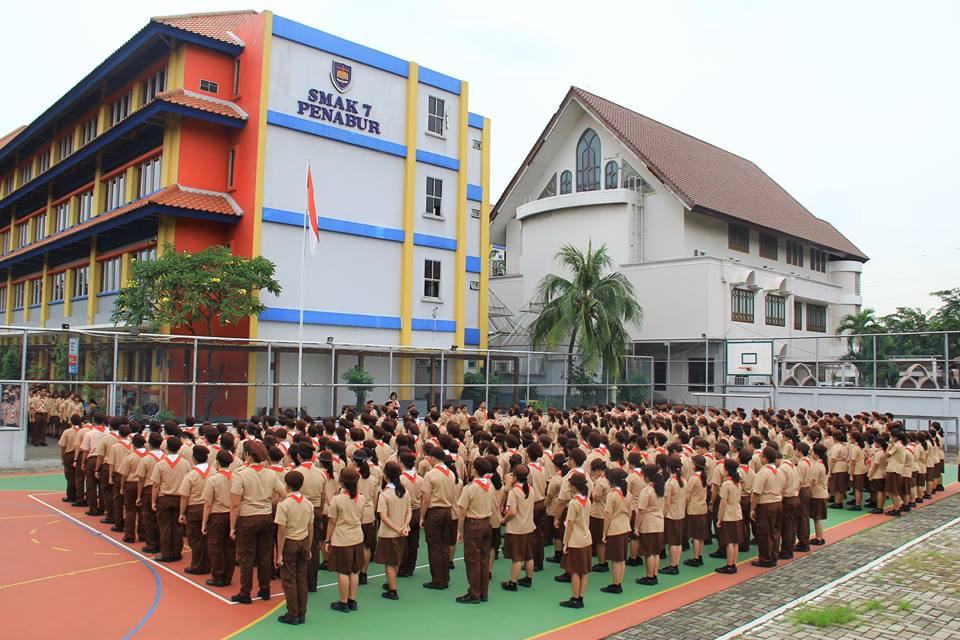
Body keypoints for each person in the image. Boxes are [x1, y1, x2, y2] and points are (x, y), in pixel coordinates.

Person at [230, 440, 285, 604]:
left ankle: (245, 592)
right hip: (267, 516)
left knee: (246, 557)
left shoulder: (241, 474)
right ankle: (265, 588)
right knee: (265, 554)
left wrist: (232, 526)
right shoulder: (270, 474)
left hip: (248, 517)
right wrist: (270, 502)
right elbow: (283, 493)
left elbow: (235, 504)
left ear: (248, 455)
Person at [274, 470, 314, 625]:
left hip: (290, 542)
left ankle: (292, 614)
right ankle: (302, 612)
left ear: (287, 485)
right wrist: (309, 547)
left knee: (289, 580)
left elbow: (281, 531)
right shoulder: (308, 503)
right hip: (303, 541)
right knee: (302, 578)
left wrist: (279, 554)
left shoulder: (284, 505)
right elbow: (311, 528)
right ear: (301, 485)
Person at [456, 456, 496, 604]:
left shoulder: (470, 488)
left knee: (472, 559)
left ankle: (474, 593)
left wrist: (459, 530)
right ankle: (483, 592)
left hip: (473, 524)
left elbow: (462, 511)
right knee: (484, 559)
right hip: (487, 523)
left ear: (475, 470)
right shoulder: (490, 486)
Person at [326, 467, 366, 613]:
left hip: (342, 539)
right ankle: (352, 600)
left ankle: (343, 602)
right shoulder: (361, 498)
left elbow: (332, 522)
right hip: (357, 537)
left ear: (342, 482)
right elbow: (360, 517)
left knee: (343, 571)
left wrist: (327, 540)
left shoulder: (337, 500)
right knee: (355, 571)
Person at [420, 446, 456, 590]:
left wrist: (422, 516)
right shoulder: (451, 473)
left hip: (435, 512)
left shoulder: (431, 474)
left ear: (434, 458)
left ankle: (437, 579)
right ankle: (445, 577)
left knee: (434, 547)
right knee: (444, 545)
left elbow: (426, 499)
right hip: (447, 511)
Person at [151, 436, 192, 562]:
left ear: (167, 447)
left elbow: (156, 484)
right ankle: (176, 552)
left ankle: (166, 553)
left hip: (165, 498)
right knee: (178, 527)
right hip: (180, 498)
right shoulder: (185, 464)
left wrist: (153, 500)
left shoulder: (161, 464)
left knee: (165, 527)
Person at [374, 461, 411, 600]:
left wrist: (397, 528)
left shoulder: (385, 494)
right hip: (401, 532)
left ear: (386, 475)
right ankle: (392, 582)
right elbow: (409, 512)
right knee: (395, 560)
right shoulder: (404, 492)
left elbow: (383, 517)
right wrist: (404, 527)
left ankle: (392, 590)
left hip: (388, 533)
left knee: (389, 562)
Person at [202, 449, 237, 587]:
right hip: (233, 515)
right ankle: (228, 575)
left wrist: (204, 522)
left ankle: (218, 576)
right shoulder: (237, 477)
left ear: (217, 462)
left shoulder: (213, 480)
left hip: (217, 515)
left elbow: (208, 504)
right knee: (230, 547)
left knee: (216, 547)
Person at [559, 472, 592, 608]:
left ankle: (574, 597)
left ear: (574, 486)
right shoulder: (587, 500)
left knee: (574, 571)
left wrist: (565, 542)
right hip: (586, 538)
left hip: (575, 540)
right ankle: (581, 597)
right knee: (584, 571)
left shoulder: (574, 503)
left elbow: (570, 524)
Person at [178, 445, 211, 575]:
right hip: (210, 507)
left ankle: (198, 565)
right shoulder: (213, 472)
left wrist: (181, 512)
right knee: (208, 538)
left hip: (195, 509)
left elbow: (185, 496)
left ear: (194, 459)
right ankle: (208, 563)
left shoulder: (191, 475)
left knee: (195, 539)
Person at [501, 463, 535, 592]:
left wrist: (504, 520)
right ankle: (528, 578)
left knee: (517, 557)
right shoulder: (530, 489)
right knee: (528, 554)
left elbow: (512, 512)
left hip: (517, 528)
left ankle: (512, 582)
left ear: (515, 477)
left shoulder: (514, 492)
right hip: (528, 526)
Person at [750, 446, 783, 568]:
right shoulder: (779, 471)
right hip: (778, 502)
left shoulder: (763, 472)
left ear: (765, 458)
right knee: (775, 532)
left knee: (764, 533)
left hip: (766, 505)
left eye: (762, 456)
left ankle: (765, 558)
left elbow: (757, 493)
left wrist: (752, 508)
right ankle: (774, 555)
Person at [600, 467, 630, 593]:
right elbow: (630, 512)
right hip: (625, 526)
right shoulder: (627, 494)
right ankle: (619, 582)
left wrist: (604, 533)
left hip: (615, 528)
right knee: (621, 558)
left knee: (616, 559)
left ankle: (616, 584)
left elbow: (607, 516)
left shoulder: (612, 495)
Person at [634, 464, 665, 585]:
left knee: (649, 552)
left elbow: (641, 511)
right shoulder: (660, 489)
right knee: (656, 551)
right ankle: (654, 574)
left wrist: (636, 527)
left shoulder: (647, 491)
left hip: (648, 523)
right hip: (659, 522)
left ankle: (649, 576)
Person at [135, 431, 164, 554]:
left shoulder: (145, 459)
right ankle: (161, 543)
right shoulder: (166, 457)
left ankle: (151, 544)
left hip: (148, 489)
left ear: (149, 444)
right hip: (163, 490)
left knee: (149, 518)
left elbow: (141, 479)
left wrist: (138, 495)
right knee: (161, 519)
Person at [714, 459, 743, 574]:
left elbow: (723, 503)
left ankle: (729, 565)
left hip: (728, 515)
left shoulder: (726, 484)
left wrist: (719, 518)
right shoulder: (737, 482)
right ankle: (733, 563)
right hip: (737, 513)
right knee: (735, 541)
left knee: (729, 541)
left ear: (726, 470)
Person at [396, 452, 422, 578]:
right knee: (414, 541)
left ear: (402, 463)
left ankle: (403, 567)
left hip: (405, 512)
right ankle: (411, 567)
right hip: (417, 511)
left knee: (404, 540)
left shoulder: (401, 479)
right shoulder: (420, 478)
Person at [683, 455, 709, 567]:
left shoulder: (693, 478)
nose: (691, 464)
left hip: (694, 509)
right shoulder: (703, 477)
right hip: (702, 507)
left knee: (695, 535)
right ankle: (700, 556)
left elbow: (687, 496)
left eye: (692, 463)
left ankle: (695, 558)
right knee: (701, 535)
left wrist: (685, 507)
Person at [662, 456, 685, 575]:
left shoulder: (670, 483)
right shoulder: (683, 480)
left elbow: (666, 503)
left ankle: (672, 565)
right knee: (678, 541)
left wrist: (663, 515)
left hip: (671, 515)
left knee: (672, 542)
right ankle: (676, 564)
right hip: (680, 513)